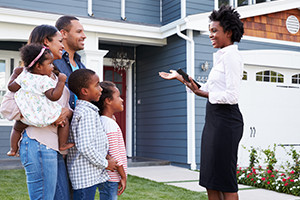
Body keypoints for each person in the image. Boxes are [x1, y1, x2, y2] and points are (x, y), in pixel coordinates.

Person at [159, 5, 244, 200]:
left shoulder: (232, 56)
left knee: (224, 178)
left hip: (226, 122)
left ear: (229, 32)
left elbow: (231, 95)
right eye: (210, 31)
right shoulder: (221, 56)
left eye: (215, 31)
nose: (211, 35)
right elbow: (207, 87)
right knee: (210, 177)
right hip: (214, 120)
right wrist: (181, 78)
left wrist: (203, 93)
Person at [13, 24, 71, 200]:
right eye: (60, 41)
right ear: (47, 42)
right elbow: (7, 108)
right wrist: (46, 117)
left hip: (53, 146)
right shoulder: (27, 75)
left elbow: (63, 107)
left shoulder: (52, 74)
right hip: (39, 143)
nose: (63, 45)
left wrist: (65, 113)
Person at [5, 44, 74, 156]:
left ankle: (13, 149)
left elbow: (11, 87)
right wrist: (61, 82)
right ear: (38, 66)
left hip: (27, 114)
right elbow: (54, 96)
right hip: (44, 115)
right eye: (50, 64)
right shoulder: (44, 80)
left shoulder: (23, 77)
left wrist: (15, 73)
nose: (52, 67)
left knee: (17, 128)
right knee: (64, 122)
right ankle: (62, 144)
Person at [67, 69, 118, 200]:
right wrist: (106, 163)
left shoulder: (87, 110)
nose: (100, 89)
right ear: (84, 91)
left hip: (88, 176)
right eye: (96, 85)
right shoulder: (87, 113)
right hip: (85, 178)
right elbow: (85, 146)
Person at [93, 81, 128, 199]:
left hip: (105, 176)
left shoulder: (102, 121)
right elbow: (115, 154)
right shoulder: (109, 124)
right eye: (118, 97)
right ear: (108, 101)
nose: (122, 100)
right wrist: (123, 176)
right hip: (111, 176)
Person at [53, 15, 86, 110]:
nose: (84, 36)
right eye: (79, 32)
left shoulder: (82, 66)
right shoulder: (52, 62)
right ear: (63, 34)